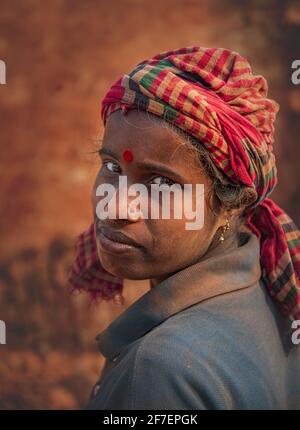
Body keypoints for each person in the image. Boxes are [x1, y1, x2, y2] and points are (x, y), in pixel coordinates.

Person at [68, 46, 300, 410]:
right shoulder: (267, 284)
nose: (115, 208)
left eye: (161, 183)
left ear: (231, 204)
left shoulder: (157, 373)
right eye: (112, 167)